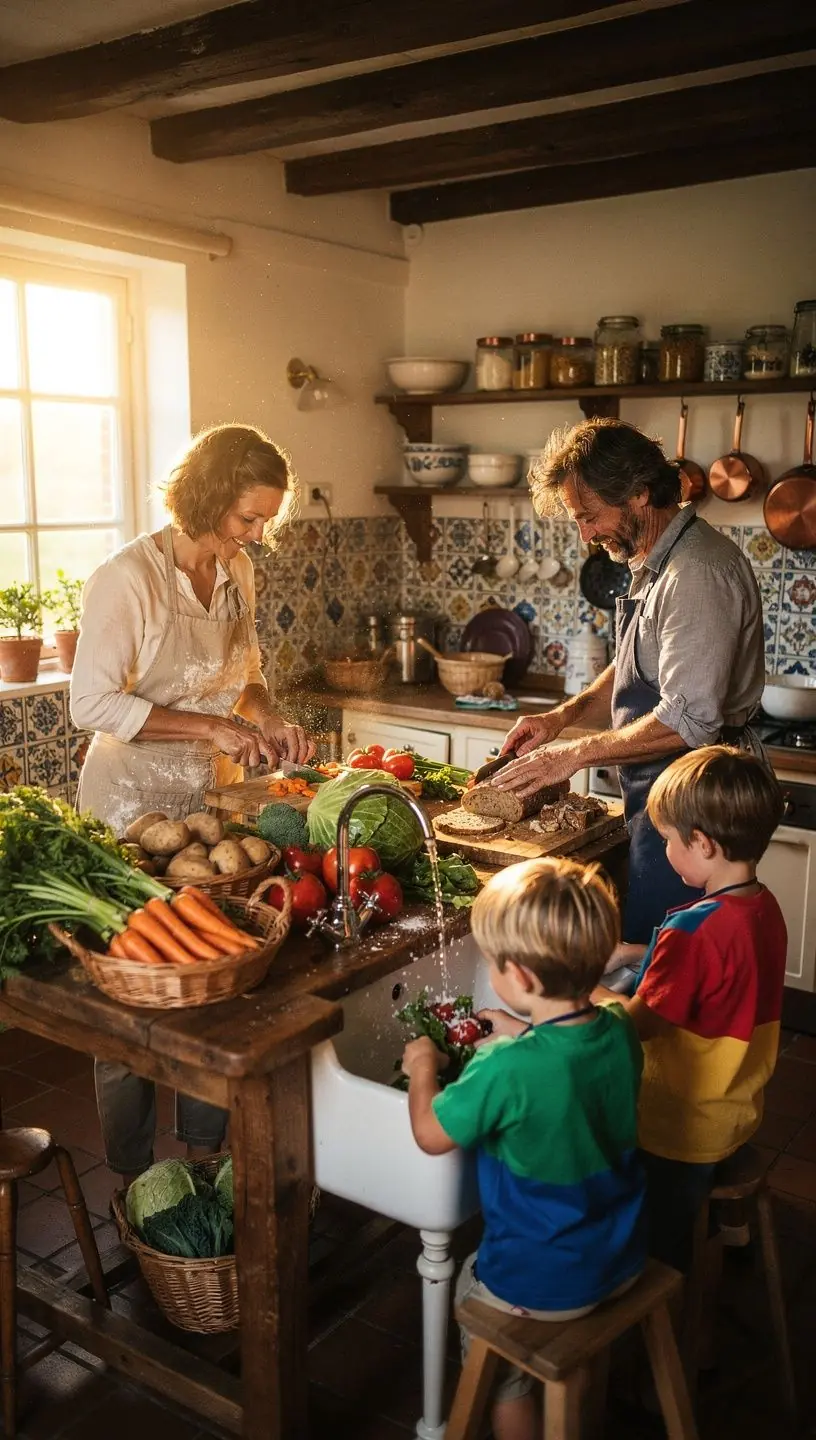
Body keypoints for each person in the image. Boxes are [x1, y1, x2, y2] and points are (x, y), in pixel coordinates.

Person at [70, 422, 316, 1182]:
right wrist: (211, 726)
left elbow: (247, 677)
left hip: (204, 807)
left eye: (266, 519)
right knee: (133, 991)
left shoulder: (238, 571)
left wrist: (265, 717)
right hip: (126, 809)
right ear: (206, 498)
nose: (258, 534)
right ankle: (134, 1176)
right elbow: (90, 703)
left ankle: (204, 1163)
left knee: (213, 977)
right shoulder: (126, 579)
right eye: (248, 516)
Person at [489, 418, 765, 947]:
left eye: (589, 516)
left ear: (639, 492)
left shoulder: (696, 573)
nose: (585, 536)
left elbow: (689, 720)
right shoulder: (659, 561)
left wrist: (571, 756)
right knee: (648, 954)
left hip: (699, 813)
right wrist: (561, 719)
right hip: (662, 797)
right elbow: (635, 666)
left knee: (678, 960)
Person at [401, 857, 646, 1440]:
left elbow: (431, 1134)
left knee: (474, 1303)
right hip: (618, 1258)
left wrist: (421, 1068)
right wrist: (524, 1029)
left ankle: (514, 1408)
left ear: (521, 978)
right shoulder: (619, 1031)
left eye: (492, 962)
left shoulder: (506, 1068)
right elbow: (566, 1064)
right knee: (571, 1356)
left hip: (539, 1282)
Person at [593, 746, 787, 1273]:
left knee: (657, 1241)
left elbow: (639, 1023)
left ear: (702, 843)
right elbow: (722, 969)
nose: (665, 850)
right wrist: (633, 953)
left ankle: (668, 1298)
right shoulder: (763, 907)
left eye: (668, 839)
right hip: (736, 1110)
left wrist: (584, 991)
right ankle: (730, 1231)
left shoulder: (691, 931)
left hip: (680, 1129)